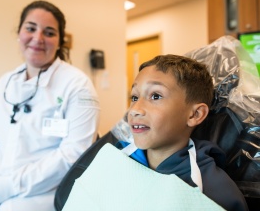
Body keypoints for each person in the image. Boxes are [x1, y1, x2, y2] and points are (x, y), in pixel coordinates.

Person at [0, 0, 100, 211]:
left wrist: (0, 189)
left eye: (49, 32)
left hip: (47, 189)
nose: (38, 38)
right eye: (31, 28)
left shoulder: (78, 85)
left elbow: (71, 156)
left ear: (60, 41)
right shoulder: (7, 82)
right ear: (19, 32)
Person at [62, 54, 248, 211]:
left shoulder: (216, 191)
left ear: (195, 114)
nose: (135, 109)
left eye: (155, 96)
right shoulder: (115, 158)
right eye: (134, 97)